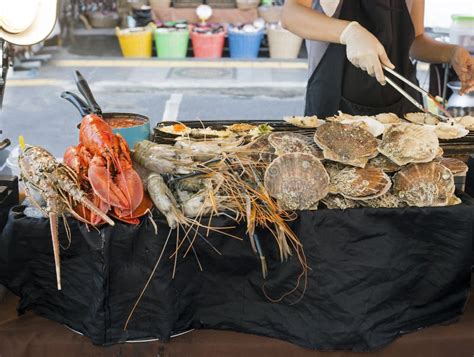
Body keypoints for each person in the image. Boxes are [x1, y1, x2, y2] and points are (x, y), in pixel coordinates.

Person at [281, 0, 474, 117]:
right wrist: (349, 33)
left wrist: (451, 53)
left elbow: (415, 40)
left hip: (403, 107)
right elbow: (291, 15)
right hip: (334, 108)